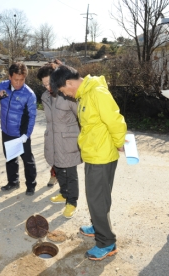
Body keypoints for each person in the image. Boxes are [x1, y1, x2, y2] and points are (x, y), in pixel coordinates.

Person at [50, 65, 127, 261]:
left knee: (96, 199)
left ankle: (106, 242)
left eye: (63, 91)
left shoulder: (97, 92)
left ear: (69, 83)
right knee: (98, 197)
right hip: (94, 154)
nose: (65, 95)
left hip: (102, 156)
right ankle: (98, 226)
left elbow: (115, 120)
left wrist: (119, 143)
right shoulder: (84, 94)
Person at [37, 61, 82, 218]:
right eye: (44, 85)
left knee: (70, 173)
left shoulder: (67, 96)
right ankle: (63, 194)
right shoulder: (45, 97)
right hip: (53, 140)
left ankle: (72, 202)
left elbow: (81, 117)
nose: (47, 87)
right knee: (58, 170)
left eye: (49, 83)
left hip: (68, 141)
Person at [0, 62, 37, 196]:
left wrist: (26, 135)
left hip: (21, 134)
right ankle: (13, 182)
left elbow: (32, 116)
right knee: (10, 158)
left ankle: (31, 185)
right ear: (10, 76)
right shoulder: (3, 86)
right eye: (16, 79)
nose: (18, 83)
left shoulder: (29, 94)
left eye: (22, 80)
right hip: (6, 130)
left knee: (27, 160)